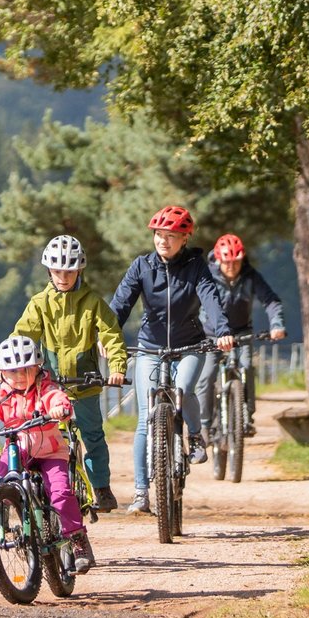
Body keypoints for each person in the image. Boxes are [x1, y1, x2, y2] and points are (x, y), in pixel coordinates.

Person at [108, 205, 235, 514]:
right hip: (150, 347)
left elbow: (210, 299)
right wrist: (106, 335)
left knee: (183, 389)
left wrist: (222, 330)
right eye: (159, 235)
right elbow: (121, 304)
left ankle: (195, 435)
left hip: (189, 345)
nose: (163, 241)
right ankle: (141, 493)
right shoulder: (142, 266)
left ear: (185, 238)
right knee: (144, 419)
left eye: (171, 236)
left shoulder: (196, 267)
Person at [0, 334, 94, 570]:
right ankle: (0, 521)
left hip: (50, 452)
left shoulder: (45, 389)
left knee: (60, 492)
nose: (19, 376)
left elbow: (57, 398)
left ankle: (77, 538)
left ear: (38, 367)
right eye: (12, 371)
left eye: (26, 370)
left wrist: (59, 409)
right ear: (2, 373)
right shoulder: (0, 396)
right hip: (17, 450)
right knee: (0, 483)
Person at [14, 234, 129, 512]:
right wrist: (10, 366)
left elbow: (112, 335)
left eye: (69, 271)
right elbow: (23, 336)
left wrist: (117, 367)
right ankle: (43, 487)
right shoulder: (40, 303)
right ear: (48, 271)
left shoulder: (93, 303)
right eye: (57, 271)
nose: (63, 277)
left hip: (85, 384)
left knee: (92, 436)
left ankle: (101, 488)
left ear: (80, 270)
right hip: (50, 386)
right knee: (44, 437)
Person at [196, 233, 288, 444]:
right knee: (206, 377)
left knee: (246, 368)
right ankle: (204, 425)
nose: (231, 267)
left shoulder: (250, 276)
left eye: (236, 262)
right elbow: (192, 303)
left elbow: (271, 301)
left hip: (242, 333)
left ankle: (246, 417)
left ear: (242, 259)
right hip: (211, 335)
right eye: (227, 262)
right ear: (218, 260)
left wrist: (276, 325)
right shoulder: (206, 277)